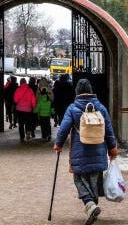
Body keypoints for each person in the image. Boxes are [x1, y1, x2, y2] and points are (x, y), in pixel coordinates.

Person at [53, 78, 118, 225]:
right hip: (98, 150)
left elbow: (63, 129)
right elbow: (109, 131)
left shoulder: (72, 108)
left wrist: (58, 144)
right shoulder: (100, 107)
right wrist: (112, 149)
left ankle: (90, 205)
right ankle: (93, 206)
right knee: (95, 180)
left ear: (77, 91)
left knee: (79, 179)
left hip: (79, 151)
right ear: (91, 90)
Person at [13, 78, 36, 142]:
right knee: (28, 123)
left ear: (20, 83)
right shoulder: (30, 90)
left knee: (21, 124)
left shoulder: (17, 90)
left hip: (19, 110)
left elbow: (15, 100)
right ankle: (28, 134)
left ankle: (22, 137)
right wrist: (34, 107)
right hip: (28, 110)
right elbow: (33, 100)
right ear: (26, 82)